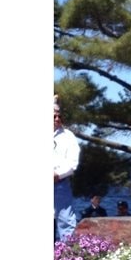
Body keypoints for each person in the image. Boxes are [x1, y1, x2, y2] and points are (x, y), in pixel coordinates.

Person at [54, 100, 81, 242]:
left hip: (60, 184)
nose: (57, 119)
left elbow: (72, 162)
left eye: (59, 116)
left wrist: (57, 175)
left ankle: (67, 258)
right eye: (53, 116)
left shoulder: (68, 136)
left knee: (66, 222)